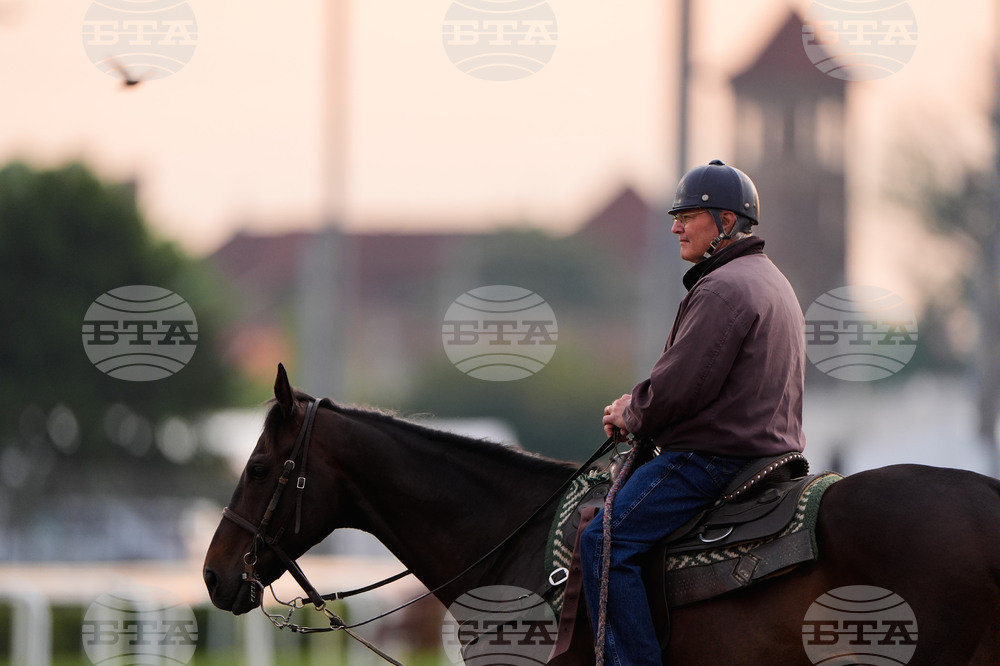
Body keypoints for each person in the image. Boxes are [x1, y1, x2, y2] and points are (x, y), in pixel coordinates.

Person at [579, 159, 807, 665]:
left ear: (726, 223)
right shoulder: (769, 279)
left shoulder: (724, 287)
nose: (676, 226)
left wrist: (628, 412)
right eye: (675, 215)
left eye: (689, 215)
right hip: (767, 452)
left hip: (711, 459)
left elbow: (679, 389)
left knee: (602, 543)